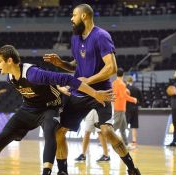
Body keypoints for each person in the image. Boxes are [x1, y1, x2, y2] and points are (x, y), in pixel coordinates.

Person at [0, 45, 112, 175]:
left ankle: (46, 172)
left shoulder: (33, 73)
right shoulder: (10, 78)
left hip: (50, 108)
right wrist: (56, 87)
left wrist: (95, 93)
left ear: (10, 61)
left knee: (50, 132)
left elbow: (67, 79)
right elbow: (44, 86)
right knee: (0, 139)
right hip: (29, 109)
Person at [43, 4, 140, 175]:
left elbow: (111, 68)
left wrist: (88, 80)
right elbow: (76, 66)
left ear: (85, 16)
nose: (71, 19)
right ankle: (63, 171)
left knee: (107, 131)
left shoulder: (101, 36)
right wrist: (61, 64)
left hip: (101, 93)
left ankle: (132, 169)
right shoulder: (75, 38)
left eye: (74, 15)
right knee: (59, 132)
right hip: (79, 93)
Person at [112, 68, 137, 146]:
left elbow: (117, 93)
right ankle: (103, 140)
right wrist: (133, 99)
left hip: (116, 106)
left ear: (117, 74)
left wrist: (125, 90)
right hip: (120, 108)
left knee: (122, 128)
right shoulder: (122, 84)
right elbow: (123, 96)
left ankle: (126, 144)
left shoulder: (114, 83)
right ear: (123, 75)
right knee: (115, 126)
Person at [126, 76, 143, 149]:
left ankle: (124, 142)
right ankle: (134, 142)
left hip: (127, 109)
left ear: (127, 81)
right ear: (132, 81)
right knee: (134, 126)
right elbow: (141, 100)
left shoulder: (125, 88)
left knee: (124, 126)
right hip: (135, 109)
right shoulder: (137, 89)